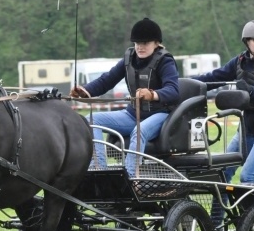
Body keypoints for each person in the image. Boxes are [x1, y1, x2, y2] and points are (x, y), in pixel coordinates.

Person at [191, 19, 254, 227]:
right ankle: (214, 225)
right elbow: (215, 77)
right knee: (222, 174)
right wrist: (190, 84)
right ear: (247, 41)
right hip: (247, 129)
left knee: (247, 176)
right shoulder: (240, 61)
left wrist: (249, 90)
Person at [70, 18, 180, 176]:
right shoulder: (129, 58)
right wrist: (85, 91)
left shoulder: (165, 61)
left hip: (160, 114)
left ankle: (130, 179)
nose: (140, 47)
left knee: (138, 131)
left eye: (145, 43)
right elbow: (107, 80)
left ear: (156, 43)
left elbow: (173, 90)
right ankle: (100, 172)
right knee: (91, 121)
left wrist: (152, 94)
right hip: (132, 113)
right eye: (137, 43)